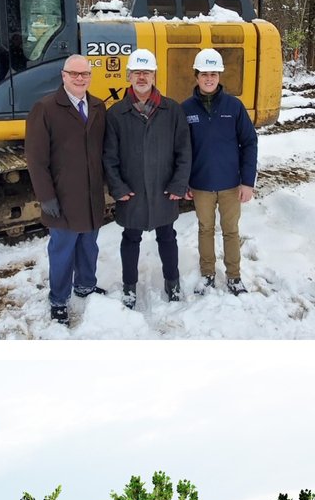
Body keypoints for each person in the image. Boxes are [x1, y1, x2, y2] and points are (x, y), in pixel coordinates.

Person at [103, 48, 191, 308]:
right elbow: (109, 156)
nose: (142, 77)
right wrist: (117, 187)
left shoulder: (172, 110)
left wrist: (178, 183)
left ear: (154, 75)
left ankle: (172, 282)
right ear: (129, 76)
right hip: (132, 191)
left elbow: (184, 151)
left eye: (147, 72)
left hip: (164, 189)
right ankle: (129, 287)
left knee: (168, 236)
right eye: (137, 72)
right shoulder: (116, 114)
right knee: (131, 238)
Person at [25, 54, 109, 324]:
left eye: (84, 74)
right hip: (63, 195)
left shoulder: (97, 106)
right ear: (63, 76)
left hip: (91, 193)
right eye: (74, 74)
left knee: (88, 245)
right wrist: (46, 196)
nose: (80, 78)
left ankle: (85, 285)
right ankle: (59, 299)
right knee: (62, 250)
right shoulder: (46, 108)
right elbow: (36, 159)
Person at [183, 48, 258, 295]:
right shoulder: (186, 109)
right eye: (204, 74)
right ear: (196, 76)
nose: (209, 78)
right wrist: (183, 182)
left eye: (213, 74)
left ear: (219, 76)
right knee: (205, 229)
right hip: (201, 184)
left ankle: (234, 276)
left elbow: (249, 142)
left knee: (231, 230)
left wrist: (247, 181)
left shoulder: (234, 107)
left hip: (230, 185)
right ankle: (207, 274)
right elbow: (180, 150)